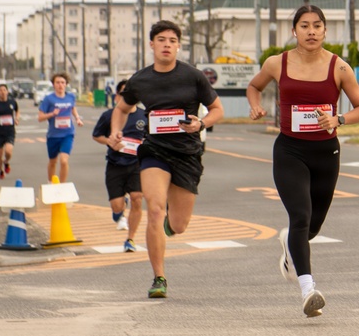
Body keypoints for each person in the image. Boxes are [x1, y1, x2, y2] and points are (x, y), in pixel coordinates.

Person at [246, 4, 359, 317]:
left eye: (317, 25)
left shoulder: (339, 68)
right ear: (295, 31)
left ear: (325, 31)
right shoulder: (277, 63)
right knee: (300, 216)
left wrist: (338, 119)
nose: (311, 31)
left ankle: (289, 244)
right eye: (304, 25)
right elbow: (254, 86)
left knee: (310, 226)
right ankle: (308, 289)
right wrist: (256, 106)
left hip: (326, 153)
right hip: (289, 150)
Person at [109, 20, 224, 299]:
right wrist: (115, 131)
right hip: (154, 151)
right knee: (155, 210)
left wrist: (201, 123)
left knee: (179, 224)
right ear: (152, 44)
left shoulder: (193, 76)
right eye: (161, 40)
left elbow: (217, 109)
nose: (166, 45)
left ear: (178, 45)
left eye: (172, 40)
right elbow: (122, 108)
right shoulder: (140, 80)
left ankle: (169, 228)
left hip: (186, 153)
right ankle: (159, 277)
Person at [92, 79, 146, 253]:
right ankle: (120, 208)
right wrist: (109, 141)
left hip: (137, 165)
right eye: (124, 93)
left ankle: (130, 239)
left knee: (138, 199)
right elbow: (96, 135)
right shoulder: (109, 115)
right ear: (118, 96)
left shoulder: (144, 116)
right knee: (117, 207)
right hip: (115, 164)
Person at [37, 72, 84, 182]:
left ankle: (62, 186)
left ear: (66, 84)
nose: (60, 85)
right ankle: (50, 183)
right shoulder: (49, 99)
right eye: (57, 82)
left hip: (68, 134)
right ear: (53, 84)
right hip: (53, 135)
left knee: (64, 160)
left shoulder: (71, 96)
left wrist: (77, 118)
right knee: (53, 161)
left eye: (62, 82)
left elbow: (72, 108)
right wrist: (52, 114)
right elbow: (40, 117)